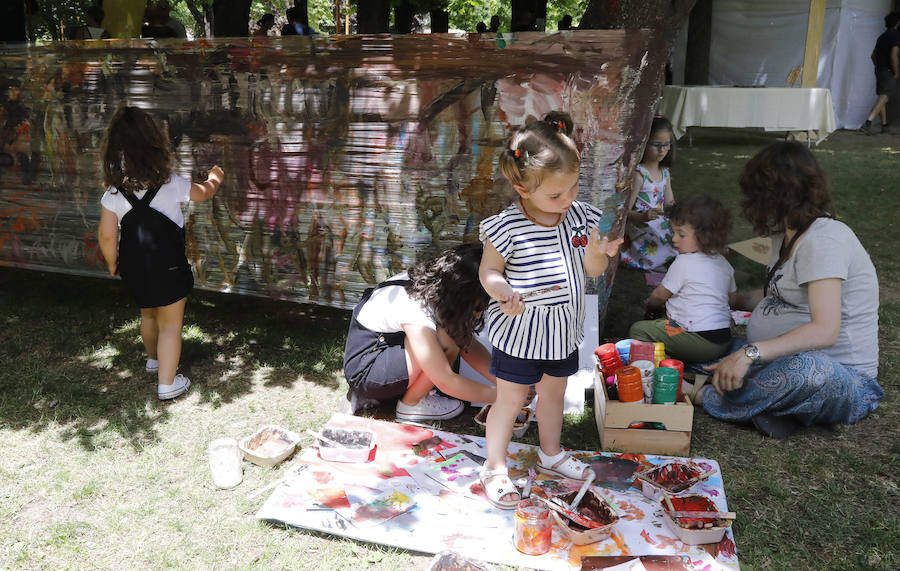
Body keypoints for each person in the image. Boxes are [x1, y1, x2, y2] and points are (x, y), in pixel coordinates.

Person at [478, 112, 623, 508]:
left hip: (562, 330)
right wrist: (501, 290)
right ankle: (494, 465)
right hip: (520, 331)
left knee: (554, 395)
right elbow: (489, 270)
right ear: (521, 187)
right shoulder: (506, 227)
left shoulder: (580, 217)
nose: (568, 199)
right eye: (556, 195)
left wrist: (597, 256)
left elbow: (591, 272)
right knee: (510, 399)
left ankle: (551, 454)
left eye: (574, 187)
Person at [697, 141, 884, 439]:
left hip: (843, 378)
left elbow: (825, 331)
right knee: (705, 348)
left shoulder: (825, 239)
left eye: (757, 192)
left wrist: (749, 353)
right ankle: (775, 408)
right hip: (777, 358)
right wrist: (722, 299)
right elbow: (779, 296)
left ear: (777, 194)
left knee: (807, 371)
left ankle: (708, 397)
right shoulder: (787, 236)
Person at [97, 106, 224, 400]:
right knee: (171, 324)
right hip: (169, 268)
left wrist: (112, 263)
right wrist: (216, 177)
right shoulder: (170, 184)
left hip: (134, 268)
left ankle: (153, 360)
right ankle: (168, 383)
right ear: (155, 145)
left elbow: (105, 235)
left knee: (148, 315)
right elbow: (203, 193)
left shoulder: (113, 194)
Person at [342, 243, 498, 421]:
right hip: (367, 370)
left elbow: (469, 345)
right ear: (462, 294)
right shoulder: (415, 307)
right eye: (479, 306)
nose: (479, 314)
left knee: (453, 335)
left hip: (385, 349)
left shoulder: (433, 285)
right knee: (448, 341)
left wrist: (507, 383)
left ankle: (397, 396)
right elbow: (445, 380)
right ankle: (411, 405)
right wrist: (504, 397)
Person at [629, 194, 735, 364]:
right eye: (673, 232)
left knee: (640, 330)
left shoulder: (684, 261)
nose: (674, 239)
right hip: (722, 340)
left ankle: (671, 368)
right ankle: (679, 358)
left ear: (705, 237)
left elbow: (659, 296)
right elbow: (731, 299)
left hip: (697, 341)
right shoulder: (724, 263)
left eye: (681, 234)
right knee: (666, 325)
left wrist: (650, 307)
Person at [620, 116, 677, 283]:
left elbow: (670, 204)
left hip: (658, 219)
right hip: (641, 223)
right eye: (656, 144)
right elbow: (625, 212)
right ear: (644, 143)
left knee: (681, 228)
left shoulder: (664, 172)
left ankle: (667, 258)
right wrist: (643, 216)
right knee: (657, 232)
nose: (662, 150)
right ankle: (654, 261)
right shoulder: (639, 174)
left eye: (666, 144)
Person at [860, 11, 900, 135]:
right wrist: (896, 71)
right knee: (885, 97)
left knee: (882, 97)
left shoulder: (881, 37)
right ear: (898, 23)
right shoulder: (896, 36)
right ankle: (868, 122)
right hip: (888, 71)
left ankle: (884, 126)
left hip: (879, 70)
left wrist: (878, 67)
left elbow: (873, 55)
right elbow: (894, 56)